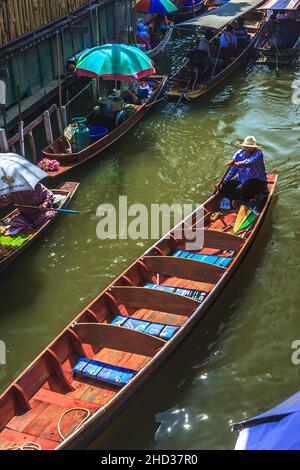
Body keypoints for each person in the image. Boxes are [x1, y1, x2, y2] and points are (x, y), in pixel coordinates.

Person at [216, 136, 268, 205]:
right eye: (246, 146)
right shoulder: (238, 154)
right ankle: (239, 199)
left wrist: (235, 163)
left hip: (258, 181)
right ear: (244, 146)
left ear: (254, 147)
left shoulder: (258, 154)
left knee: (241, 188)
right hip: (242, 180)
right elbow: (232, 170)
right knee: (225, 186)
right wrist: (222, 181)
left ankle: (240, 200)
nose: (248, 148)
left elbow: (249, 162)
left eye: (250, 147)